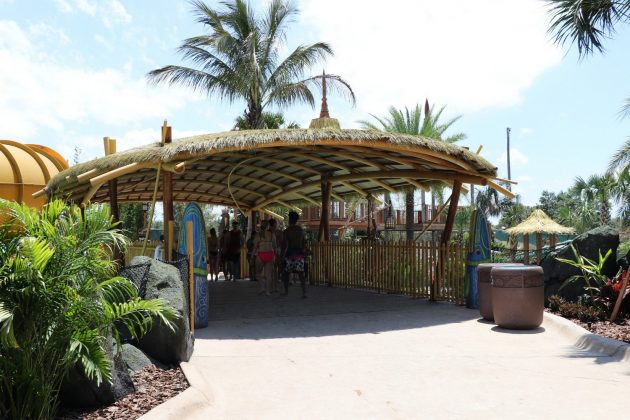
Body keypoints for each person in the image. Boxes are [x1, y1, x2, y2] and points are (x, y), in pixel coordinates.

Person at [281, 211, 307, 298]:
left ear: (289, 219)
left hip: (290, 254)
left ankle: (286, 291)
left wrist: (282, 256)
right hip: (299, 254)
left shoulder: (287, 231)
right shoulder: (300, 230)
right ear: (296, 220)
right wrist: (304, 252)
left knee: (286, 273)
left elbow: (284, 245)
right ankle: (304, 293)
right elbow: (304, 242)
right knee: (301, 274)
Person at [255, 220, 277, 295]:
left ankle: (262, 286)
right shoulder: (272, 234)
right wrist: (275, 256)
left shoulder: (258, 235)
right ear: (268, 226)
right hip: (270, 254)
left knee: (257, 274)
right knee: (268, 275)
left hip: (261, 254)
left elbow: (255, 247)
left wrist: (252, 257)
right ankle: (268, 291)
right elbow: (275, 247)